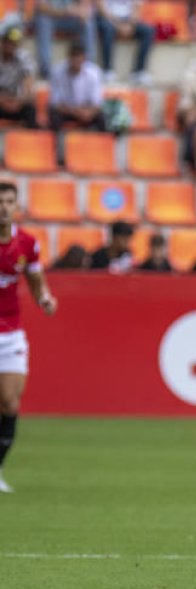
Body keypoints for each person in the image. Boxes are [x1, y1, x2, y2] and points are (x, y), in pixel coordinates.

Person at [0, 181, 58, 493]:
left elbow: (36, 280)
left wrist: (44, 298)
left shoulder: (27, 243)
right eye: (0, 201)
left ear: (16, 205)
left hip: (10, 334)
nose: (4, 207)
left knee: (9, 403)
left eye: (9, 201)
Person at [48, 41, 105, 132]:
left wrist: (89, 112)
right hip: (67, 111)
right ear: (68, 57)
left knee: (102, 118)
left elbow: (97, 103)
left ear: (84, 58)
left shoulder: (94, 73)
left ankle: (100, 145)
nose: (76, 60)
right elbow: (55, 103)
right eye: (73, 56)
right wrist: (75, 111)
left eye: (78, 56)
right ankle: (58, 145)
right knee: (53, 115)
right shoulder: (57, 72)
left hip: (86, 111)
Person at [34, 0, 97, 79]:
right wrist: (64, 11)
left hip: (70, 19)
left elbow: (85, 6)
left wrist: (81, 12)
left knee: (88, 22)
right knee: (43, 20)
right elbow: (41, 7)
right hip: (52, 18)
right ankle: (45, 68)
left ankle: (88, 66)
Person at [95, 0, 154, 84]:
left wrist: (130, 24)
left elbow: (137, 8)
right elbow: (101, 8)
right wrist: (118, 25)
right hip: (108, 20)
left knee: (148, 31)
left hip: (128, 21)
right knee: (108, 29)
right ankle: (107, 70)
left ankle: (139, 71)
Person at [0, 27, 38, 128]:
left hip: (17, 102)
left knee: (30, 110)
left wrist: (18, 102)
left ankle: (29, 141)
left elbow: (30, 91)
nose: (11, 45)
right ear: (2, 42)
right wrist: (3, 101)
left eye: (14, 43)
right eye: (8, 42)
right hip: (1, 101)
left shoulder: (24, 58)